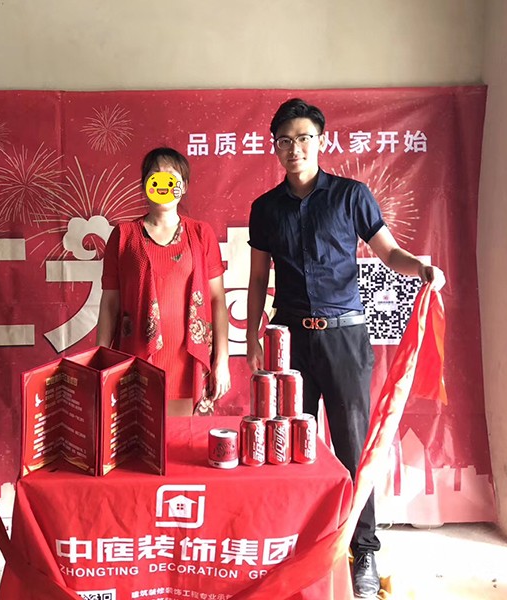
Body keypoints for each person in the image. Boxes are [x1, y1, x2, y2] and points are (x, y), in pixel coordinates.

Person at [246, 99, 445, 598]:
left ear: (321, 141)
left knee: (352, 447)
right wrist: (252, 337)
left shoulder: (351, 196)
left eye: (303, 138)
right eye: (285, 140)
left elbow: (389, 252)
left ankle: (365, 550)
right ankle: (297, 546)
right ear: (275, 147)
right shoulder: (265, 208)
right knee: (290, 446)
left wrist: (422, 268)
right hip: (288, 339)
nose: (294, 148)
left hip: (344, 337)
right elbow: (257, 278)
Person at [96, 147, 230, 416]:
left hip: (189, 359)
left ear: (184, 186)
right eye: (155, 175)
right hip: (136, 357)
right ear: (144, 184)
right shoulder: (123, 235)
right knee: (139, 436)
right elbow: (110, 303)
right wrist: (100, 359)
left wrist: (222, 360)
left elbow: (217, 300)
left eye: (172, 176)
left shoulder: (201, 233)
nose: (163, 183)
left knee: (184, 436)